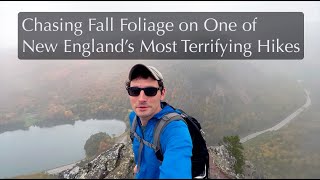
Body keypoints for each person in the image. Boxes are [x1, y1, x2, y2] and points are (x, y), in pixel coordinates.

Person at [126, 64, 193, 179]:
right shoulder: (133, 118)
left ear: (162, 93)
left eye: (150, 91)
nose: (141, 98)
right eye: (134, 91)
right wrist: (139, 166)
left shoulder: (174, 129)